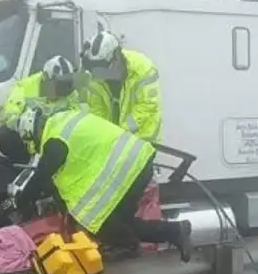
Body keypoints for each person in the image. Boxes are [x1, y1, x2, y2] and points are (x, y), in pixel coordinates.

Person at [12, 105, 193, 261]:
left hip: (126, 169)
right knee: (121, 222)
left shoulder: (54, 140)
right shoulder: (65, 119)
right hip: (137, 161)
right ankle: (175, 231)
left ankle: (127, 246)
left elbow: (43, 174)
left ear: (31, 134)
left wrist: (23, 199)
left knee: (97, 219)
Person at [0, 55, 82, 163]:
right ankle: (21, 164)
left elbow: (77, 118)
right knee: (3, 134)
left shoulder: (71, 93)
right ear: (45, 79)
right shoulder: (26, 87)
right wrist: (24, 123)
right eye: (58, 86)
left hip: (55, 139)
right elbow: (8, 115)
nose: (61, 91)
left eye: (64, 87)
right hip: (29, 139)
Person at [81, 30, 163, 142]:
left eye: (105, 68)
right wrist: (102, 135)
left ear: (117, 56)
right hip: (112, 140)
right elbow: (97, 111)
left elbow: (147, 106)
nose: (102, 74)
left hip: (142, 140)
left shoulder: (143, 68)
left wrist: (120, 132)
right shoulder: (96, 76)